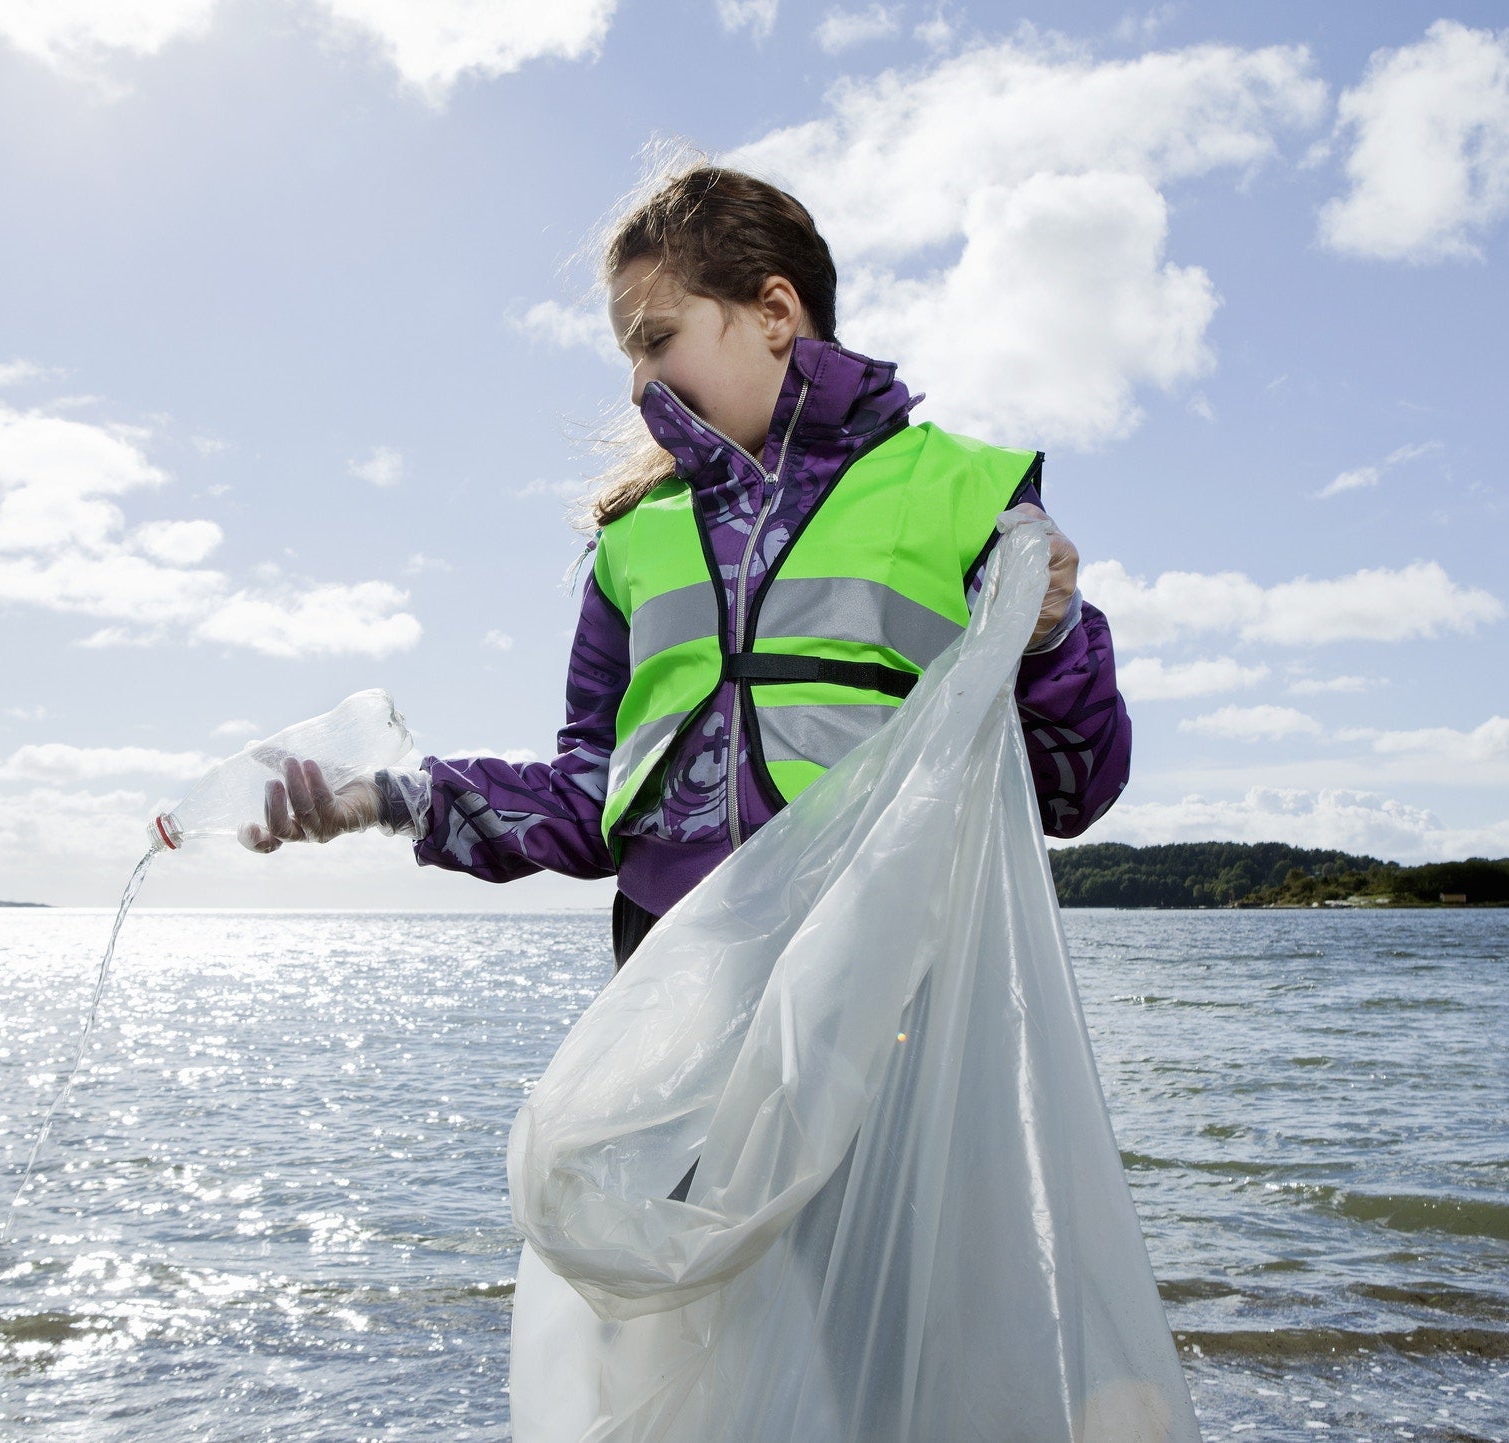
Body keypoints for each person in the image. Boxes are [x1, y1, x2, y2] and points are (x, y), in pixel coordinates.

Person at [242, 165, 1130, 962]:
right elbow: (594, 792)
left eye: (655, 339)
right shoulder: (633, 540)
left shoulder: (969, 493)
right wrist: (389, 800)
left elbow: (1070, 791)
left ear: (775, 314)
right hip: (673, 988)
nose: (636, 385)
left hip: (894, 988)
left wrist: (1052, 646)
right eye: (628, 353)